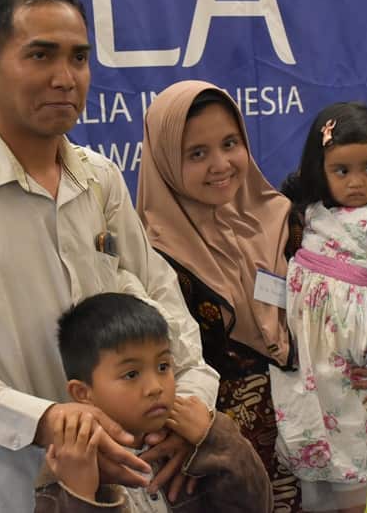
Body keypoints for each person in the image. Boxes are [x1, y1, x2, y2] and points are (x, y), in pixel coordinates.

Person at [0, 0, 218, 512]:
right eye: (40, 54)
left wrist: (190, 404)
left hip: (135, 488)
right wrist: (40, 420)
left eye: (78, 57)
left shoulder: (100, 180)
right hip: (13, 493)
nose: (65, 77)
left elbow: (162, 303)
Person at [136, 80, 307, 511]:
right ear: (165, 161)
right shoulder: (147, 258)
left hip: (301, 444)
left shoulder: (284, 220)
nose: (221, 164)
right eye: (197, 153)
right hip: (211, 459)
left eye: (230, 143)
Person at [271, 102, 367, 513]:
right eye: (342, 170)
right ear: (319, 168)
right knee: (338, 428)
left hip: (354, 351)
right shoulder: (312, 209)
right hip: (314, 351)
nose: (357, 182)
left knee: (360, 427)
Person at [35, 292, 272, 513]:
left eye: (163, 367)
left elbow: (257, 505)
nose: (156, 387)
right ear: (83, 393)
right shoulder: (70, 460)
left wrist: (214, 439)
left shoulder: (192, 432)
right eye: (131, 374)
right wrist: (78, 493)